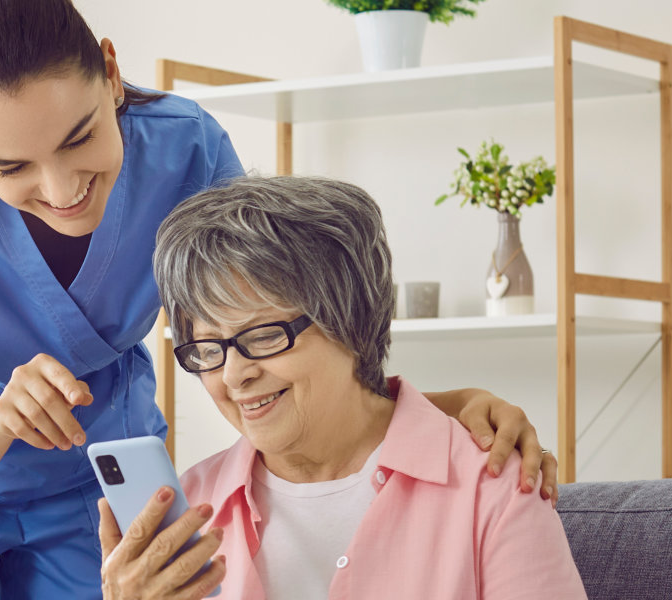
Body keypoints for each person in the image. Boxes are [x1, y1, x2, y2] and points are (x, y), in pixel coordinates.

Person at [0, 1, 562, 597]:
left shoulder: (186, 149)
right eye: (11, 167)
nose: (61, 189)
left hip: (96, 461)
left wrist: (434, 410)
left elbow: (281, 330)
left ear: (111, 74)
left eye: (80, 137)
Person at [99, 176, 586, 599]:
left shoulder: (491, 486)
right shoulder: (187, 512)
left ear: (350, 320)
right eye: (207, 349)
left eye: (264, 336)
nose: (232, 375)